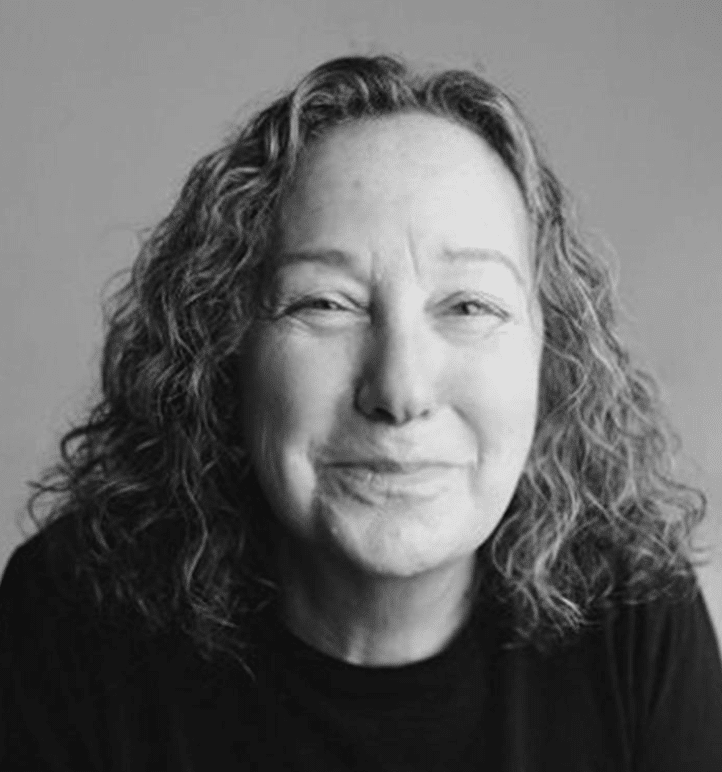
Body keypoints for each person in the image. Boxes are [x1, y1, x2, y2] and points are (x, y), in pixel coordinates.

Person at [1, 54, 720, 771]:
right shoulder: (71, 614)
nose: (400, 392)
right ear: (226, 349)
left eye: (470, 306)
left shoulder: (636, 617)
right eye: (325, 303)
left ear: (548, 355)